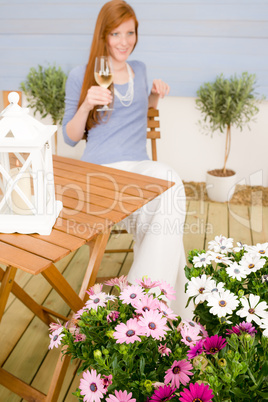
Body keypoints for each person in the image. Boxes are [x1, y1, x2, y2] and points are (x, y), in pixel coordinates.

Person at [62, 0, 191, 317]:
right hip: (101, 175)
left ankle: (138, 305)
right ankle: (165, 312)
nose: (124, 41)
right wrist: (86, 106)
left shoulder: (141, 69)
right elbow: (70, 136)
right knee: (168, 197)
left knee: (169, 190)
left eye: (129, 33)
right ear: (103, 35)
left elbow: (138, 115)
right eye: (116, 33)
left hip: (137, 169)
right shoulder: (83, 75)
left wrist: (154, 97)